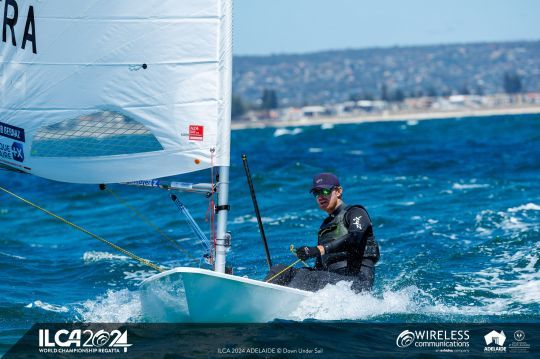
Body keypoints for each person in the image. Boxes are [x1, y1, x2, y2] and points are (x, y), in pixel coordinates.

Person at [265, 173, 380, 292]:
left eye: (324, 191)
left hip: (356, 283)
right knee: (281, 270)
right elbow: (319, 268)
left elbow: (354, 238)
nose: (320, 196)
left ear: (338, 191)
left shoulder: (356, 212)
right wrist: (310, 254)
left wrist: (318, 249)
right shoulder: (324, 227)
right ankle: (261, 294)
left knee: (309, 277)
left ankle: (285, 300)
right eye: (316, 193)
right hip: (329, 281)